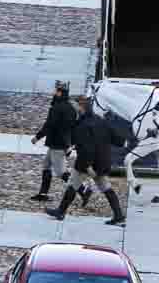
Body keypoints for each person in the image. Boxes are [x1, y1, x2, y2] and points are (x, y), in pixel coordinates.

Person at [56, 97, 130, 226]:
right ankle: (119, 216)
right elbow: (116, 138)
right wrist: (124, 142)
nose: (74, 109)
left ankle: (60, 211)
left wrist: (88, 167)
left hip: (87, 164)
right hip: (102, 163)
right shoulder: (100, 121)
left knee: (73, 185)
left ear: (82, 108)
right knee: (106, 188)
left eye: (76, 107)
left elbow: (85, 149)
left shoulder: (82, 126)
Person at [30, 80, 76, 205]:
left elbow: (49, 125)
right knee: (46, 166)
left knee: (61, 172)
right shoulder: (71, 107)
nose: (54, 92)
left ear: (60, 93)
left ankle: (83, 190)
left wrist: (37, 137)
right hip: (60, 142)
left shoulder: (57, 107)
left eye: (56, 90)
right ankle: (43, 193)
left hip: (57, 143)